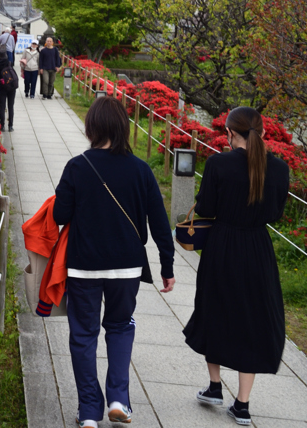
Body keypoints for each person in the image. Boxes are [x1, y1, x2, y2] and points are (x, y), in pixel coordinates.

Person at [53, 97, 175, 427]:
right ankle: (118, 398)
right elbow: (160, 224)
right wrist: (167, 266)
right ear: (123, 127)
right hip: (127, 267)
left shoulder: (78, 166)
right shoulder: (141, 170)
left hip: (83, 265)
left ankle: (89, 411)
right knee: (121, 326)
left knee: (83, 335)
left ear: (91, 127)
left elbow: (60, 214)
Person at [183, 106, 289, 426]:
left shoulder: (218, 164)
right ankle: (242, 404)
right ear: (263, 132)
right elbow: (275, 213)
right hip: (258, 248)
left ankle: (215, 387)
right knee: (253, 318)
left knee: (214, 309)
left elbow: (206, 207)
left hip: (222, 244)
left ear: (229, 133)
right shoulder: (280, 168)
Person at [0, 48, 17, 132]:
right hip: (12, 86)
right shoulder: (9, 63)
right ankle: (11, 126)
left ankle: (2, 125)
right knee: (10, 106)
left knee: (2, 106)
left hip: (3, 87)